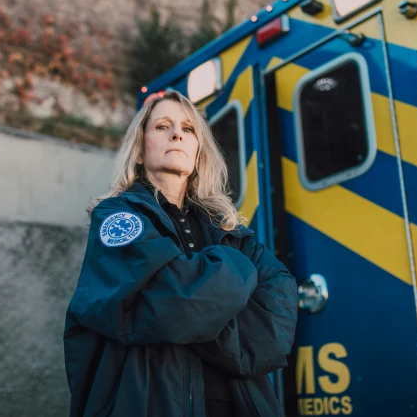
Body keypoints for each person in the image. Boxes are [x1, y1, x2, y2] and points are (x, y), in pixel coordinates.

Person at [63, 90, 298, 416]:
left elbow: (276, 321)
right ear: (140, 149)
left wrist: (200, 317)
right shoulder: (117, 217)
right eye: (162, 126)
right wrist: (235, 273)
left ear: (198, 150)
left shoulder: (230, 228)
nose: (177, 133)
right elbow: (177, 306)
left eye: (188, 129)